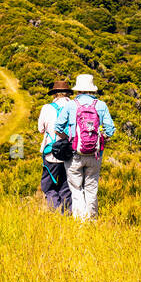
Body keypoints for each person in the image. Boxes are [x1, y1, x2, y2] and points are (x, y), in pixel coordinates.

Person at [56, 73, 115, 220]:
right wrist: (102, 140)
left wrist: (68, 139)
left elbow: (58, 126)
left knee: (76, 189)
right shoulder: (101, 105)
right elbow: (110, 129)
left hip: (74, 153)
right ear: (91, 89)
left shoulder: (71, 105)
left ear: (78, 89)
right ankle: (92, 220)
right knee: (91, 188)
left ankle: (80, 221)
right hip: (95, 154)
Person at [37, 79, 73, 211]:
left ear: (55, 94)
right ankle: (67, 212)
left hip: (51, 152)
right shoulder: (74, 106)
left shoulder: (46, 108)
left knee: (48, 185)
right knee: (66, 185)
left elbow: (41, 129)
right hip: (69, 152)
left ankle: (56, 210)